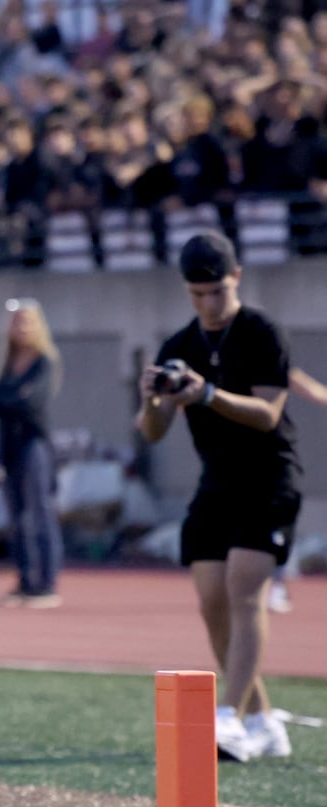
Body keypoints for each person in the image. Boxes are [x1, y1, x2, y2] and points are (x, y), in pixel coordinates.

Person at [134, 231, 300, 762]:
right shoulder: (178, 346)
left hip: (269, 476)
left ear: (237, 279)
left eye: (217, 292)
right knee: (212, 602)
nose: (207, 304)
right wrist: (154, 400)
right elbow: (153, 432)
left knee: (244, 588)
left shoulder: (260, 331)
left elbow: (268, 413)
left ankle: (228, 718)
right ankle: (261, 719)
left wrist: (207, 393)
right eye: (197, 294)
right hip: (217, 482)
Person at [0, 297, 63, 609]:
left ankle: (47, 583)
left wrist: (10, 400)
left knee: (40, 512)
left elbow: (32, 403)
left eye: (27, 321)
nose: (22, 327)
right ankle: (26, 580)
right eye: (17, 321)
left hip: (34, 444)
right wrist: (12, 398)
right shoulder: (6, 362)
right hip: (10, 446)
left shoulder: (45, 361)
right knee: (17, 516)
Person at [266, 365, 327, 614]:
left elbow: (313, 390)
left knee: (276, 523)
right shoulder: (210, 362)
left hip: (273, 461)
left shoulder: (271, 359)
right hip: (229, 465)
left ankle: (277, 583)